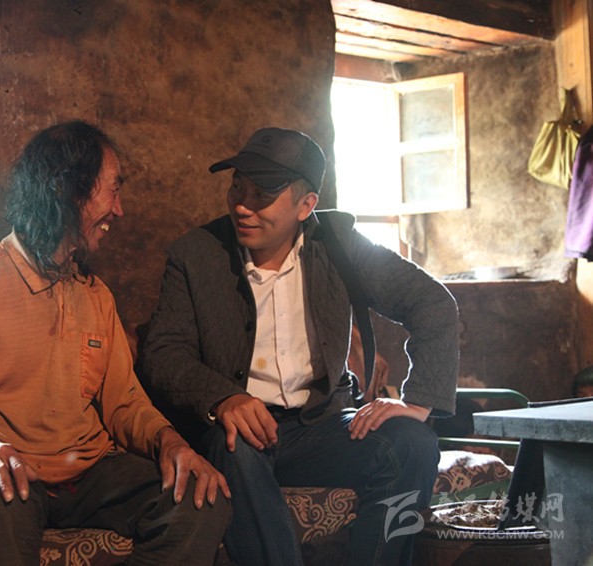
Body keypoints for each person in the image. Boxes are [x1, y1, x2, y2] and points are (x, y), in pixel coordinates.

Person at [0, 121, 231, 566]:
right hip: (11, 472)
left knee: (202, 497)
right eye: (112, 191)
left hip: (89, 475)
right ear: (68, 191)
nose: (119, 210)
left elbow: (124, 403)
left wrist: (171, 443)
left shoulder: (96, 296)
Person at [139, 127, 459, 565]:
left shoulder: (339, 245)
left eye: (262, 195)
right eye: (237, 188)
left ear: (306, 206)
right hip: (242, 434)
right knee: (232, 448)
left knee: (413, 444)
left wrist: (418, 402)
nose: (242, 206)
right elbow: (163, 352)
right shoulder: (196, 254)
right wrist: (222, 398)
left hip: (322, 426)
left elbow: (432, 303)